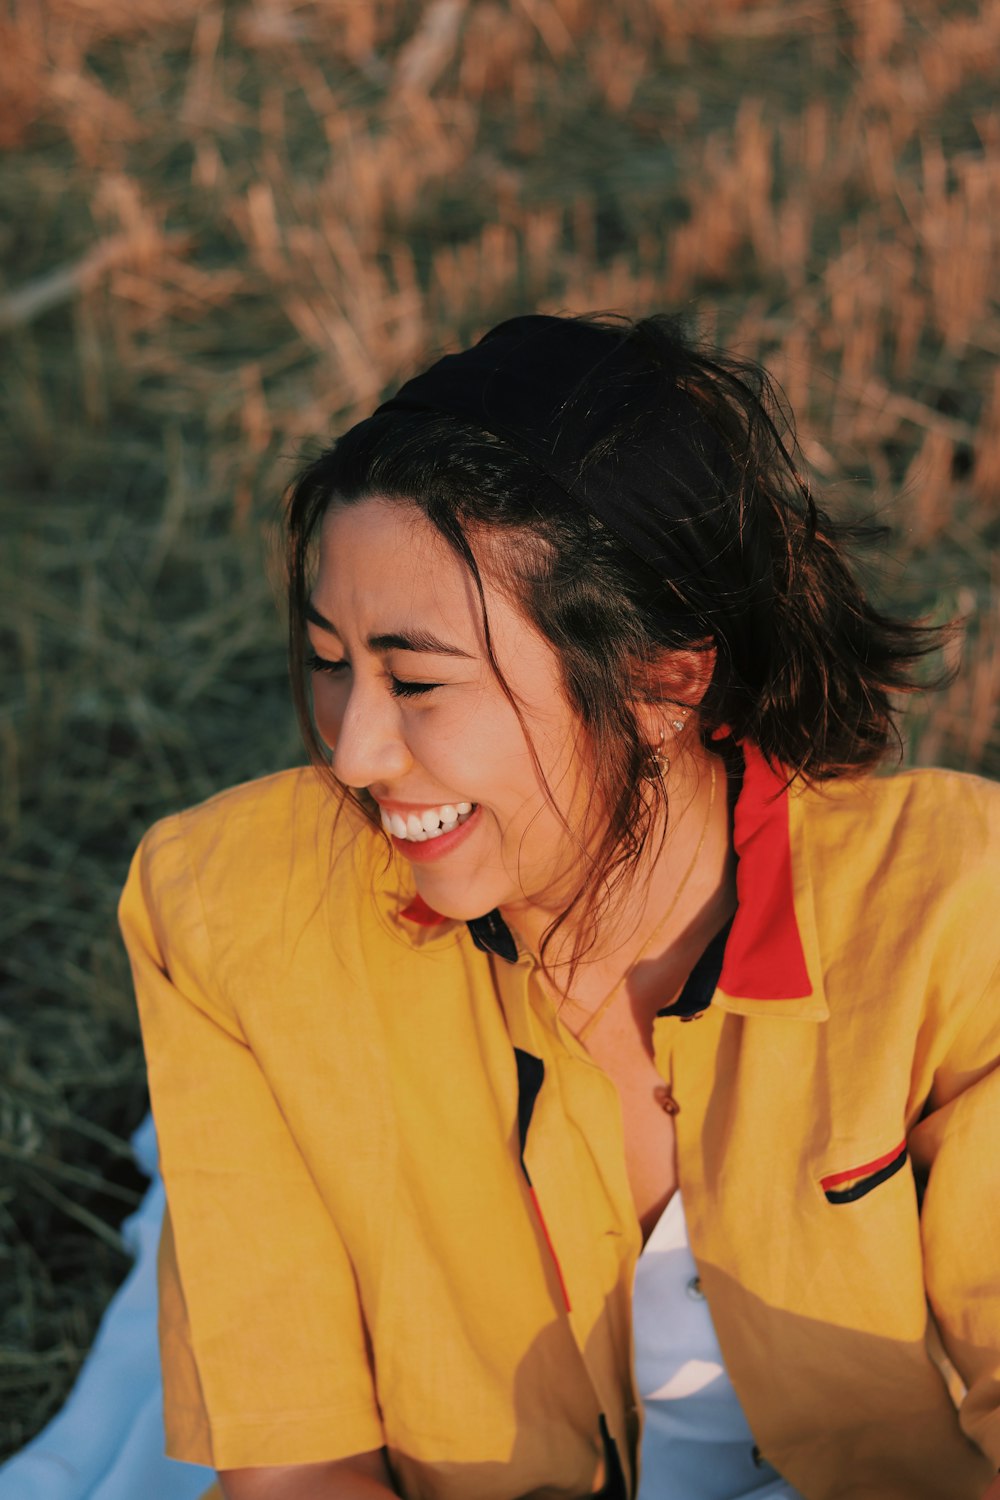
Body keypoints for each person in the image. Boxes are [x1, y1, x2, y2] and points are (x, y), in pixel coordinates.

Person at [119, 313, 1000, 1500]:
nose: (355, 751)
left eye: (416, 679)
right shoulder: (231, 914)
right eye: (330, 660)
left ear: (662, 679)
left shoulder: (953, 915)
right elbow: (297, 1470)